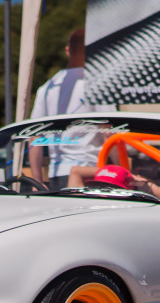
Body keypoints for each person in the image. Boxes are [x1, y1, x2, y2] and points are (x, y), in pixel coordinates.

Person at [28, 29, 114, 189]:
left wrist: (37, 181)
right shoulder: (97, 83)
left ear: (68, 50)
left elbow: (35, 137)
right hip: (90, 171)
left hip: (57, 173)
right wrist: (119, 171)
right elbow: (109, 133)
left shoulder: (47, 88)